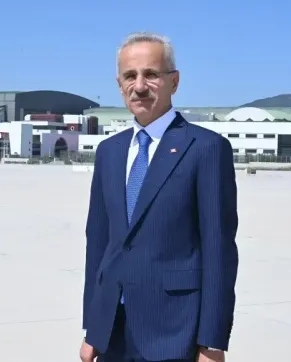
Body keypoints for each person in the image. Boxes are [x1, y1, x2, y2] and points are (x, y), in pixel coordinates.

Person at [79, 32, 239, 362]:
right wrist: (92, 327)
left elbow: (218, 250)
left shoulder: (206, 148)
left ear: (174, 82)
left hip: (175, 332)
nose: (139, 86)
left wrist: (212, 342)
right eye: (130, 76)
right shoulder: (109, 152)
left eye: (151, 74)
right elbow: (98, 244)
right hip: (112, 332)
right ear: (119, 84)